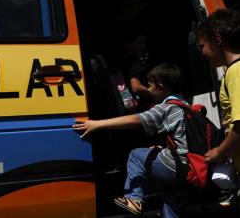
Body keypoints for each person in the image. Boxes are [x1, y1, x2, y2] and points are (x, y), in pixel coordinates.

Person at [73, 63, 188, 217]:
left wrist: (97, 124)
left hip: (176, 166)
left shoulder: (166, 108)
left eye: (150, 84)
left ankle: (134, 199)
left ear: (160, 87)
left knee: (136, 155)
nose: (148, 87)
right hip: (189, 165)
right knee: (171, 203)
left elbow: (136, 119)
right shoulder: (185, 105)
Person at [195, 9, 240, 194]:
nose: (202, 53)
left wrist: (219, 151)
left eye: (201, 46)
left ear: (218, 40)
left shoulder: (236, 72)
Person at [120, 34, 153, 109]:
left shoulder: (125, 59)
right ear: (129, 45)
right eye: (139, 44)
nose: (143, 46)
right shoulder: (133, 61)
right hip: (139, 106)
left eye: (144, 44)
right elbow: (136, 87)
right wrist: (155, 93)